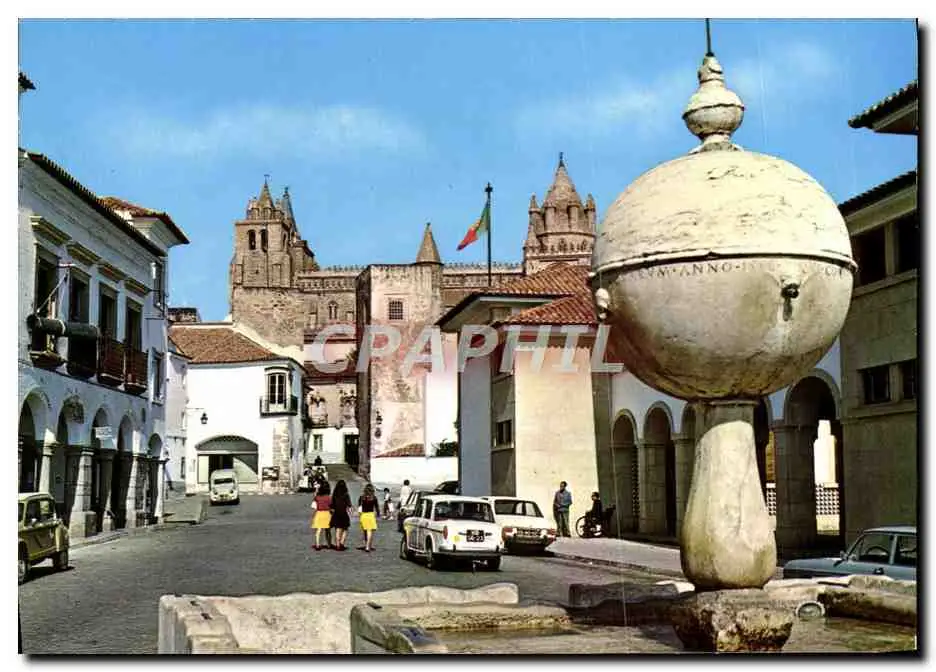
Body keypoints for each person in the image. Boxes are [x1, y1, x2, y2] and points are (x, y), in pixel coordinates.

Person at [329, 480, 352, 551]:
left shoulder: (334, 495)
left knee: (337, 530)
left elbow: (331, 506)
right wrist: (351, 513)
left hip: (336, 514)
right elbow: (349, 506)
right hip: (344, 514)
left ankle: (338, 545)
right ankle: (342, 543)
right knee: (345, 529)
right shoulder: (346, 495)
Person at [310, 480, 333, 551]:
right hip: (327, 514)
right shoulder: (329, 497)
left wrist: (317, 489)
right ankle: (329, 544)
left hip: (319, 514)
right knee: (328, 531)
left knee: (318, 531)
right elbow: (331, 506)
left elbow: (314, 496)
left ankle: (317, 544)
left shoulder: (317, 497)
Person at [358, 483, 379, 552]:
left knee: (365, 531)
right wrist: (378, 515)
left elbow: (359, 507)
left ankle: (366, 544)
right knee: (369, 531)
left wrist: (359, 516)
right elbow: (377, 508)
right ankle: (368, 546)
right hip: (370, 515)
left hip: (363, 515)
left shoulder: (361, 497)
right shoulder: (374, 498)